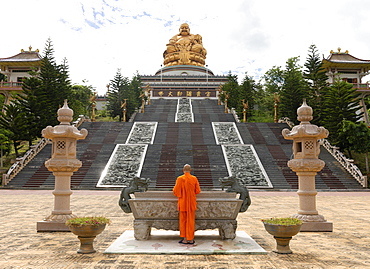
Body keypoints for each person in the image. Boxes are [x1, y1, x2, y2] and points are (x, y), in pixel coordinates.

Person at [173, 164, 201, 244]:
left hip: (183, 203)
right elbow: (198, 191)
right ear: (191, 170)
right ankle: (191, 239)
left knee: (183, 221)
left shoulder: (180, 179)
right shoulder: (194, 178)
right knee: (191, 221)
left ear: (183, 170)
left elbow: (176, 192)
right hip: (191, 203)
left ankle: (185, 239)